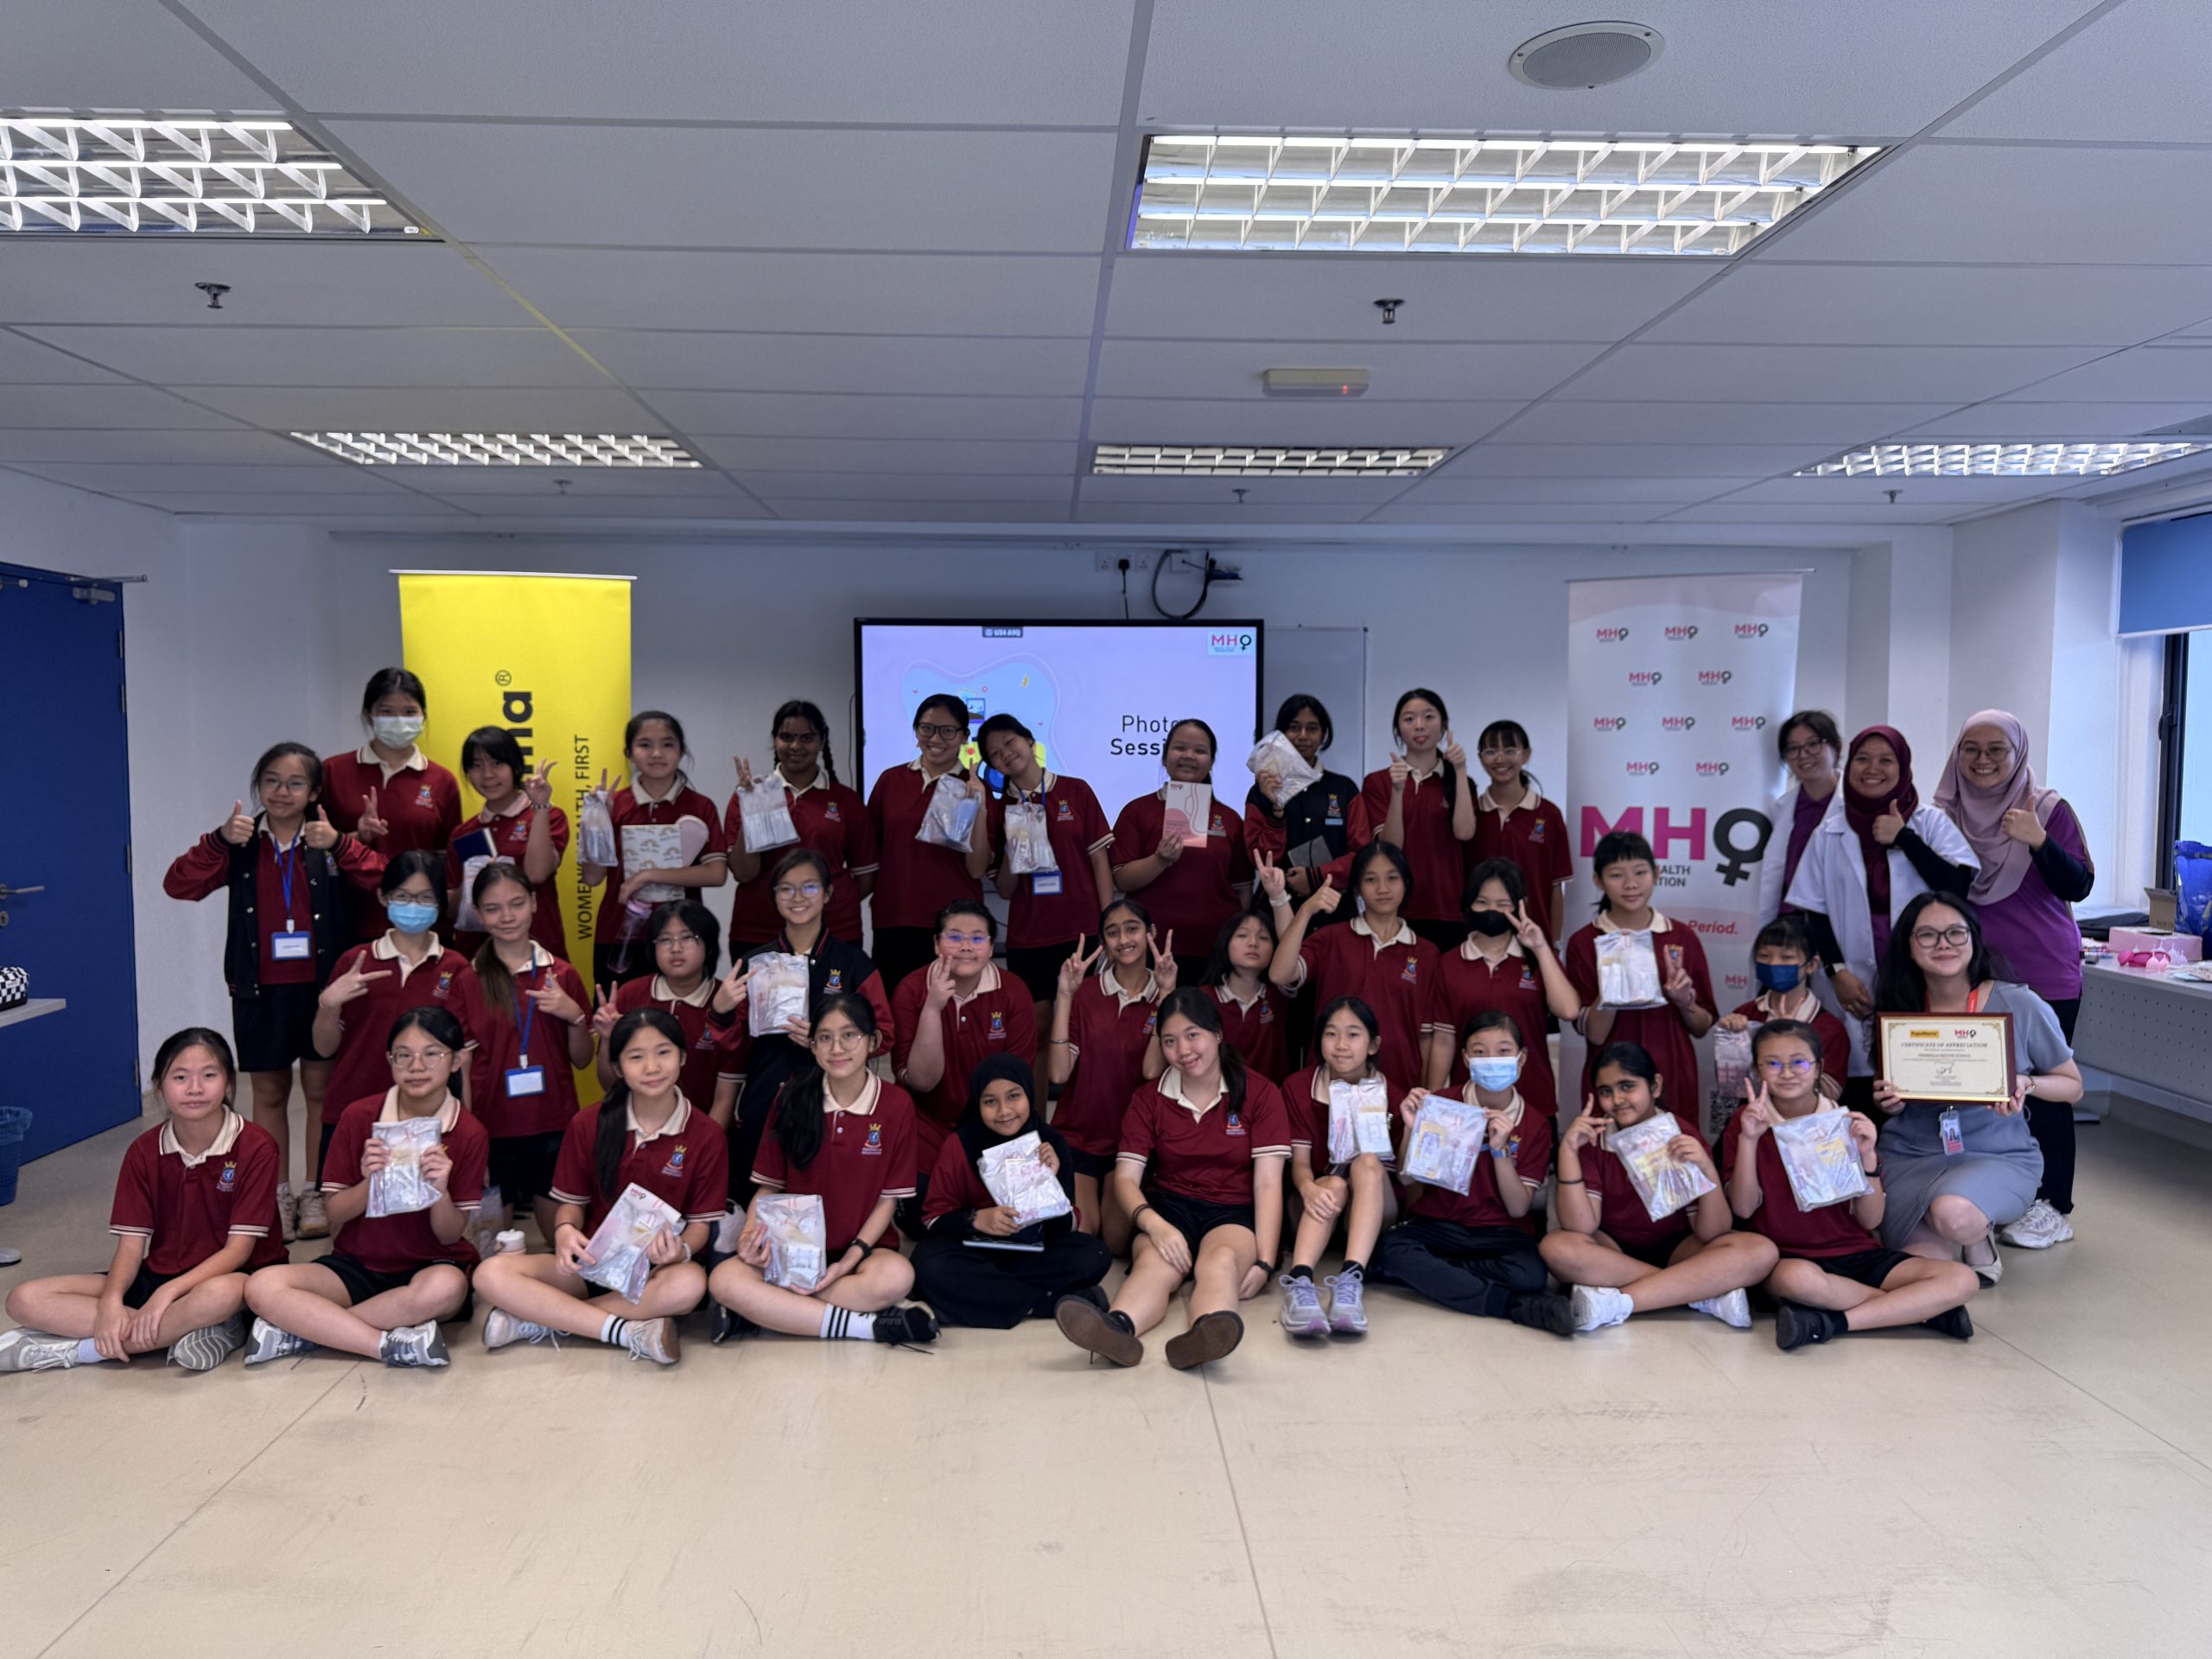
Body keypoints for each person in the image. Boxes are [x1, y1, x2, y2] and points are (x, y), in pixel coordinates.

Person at [164, 741, 386, 1244]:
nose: (282, 792)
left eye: (295, 783)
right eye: (271, 781)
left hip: (323, 990)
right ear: (258, 786)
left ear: (314, 791)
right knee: (268, 1094)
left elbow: (384, 881)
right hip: (258, 989)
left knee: (321, 1091)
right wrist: (218, 840)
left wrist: (342, 844)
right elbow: (179, 885)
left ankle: (317, 1192)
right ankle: (276, 1194)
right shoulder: (241, 843)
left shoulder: (327, 839)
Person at [0, 1029, 281, 1375]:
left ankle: (82, 1350)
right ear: (159, 1086)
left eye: (209, 1075)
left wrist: (165, 1296)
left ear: (229, 1084)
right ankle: (191, 1330)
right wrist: (111, 1303)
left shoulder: (256, 1146)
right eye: (180, 1077)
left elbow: (238, 1252)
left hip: (231, 1275)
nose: (195, 1088)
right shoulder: (144, 1150)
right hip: (159, 1274)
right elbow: (131, 1247)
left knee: (220, 1294)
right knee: (24, 1298)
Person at [1053, 989, 1289, 1370]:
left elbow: (1267, 1184)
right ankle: (1117, 1329)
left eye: (1193, 1035)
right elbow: (1126, 1180)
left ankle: (1205, 1335)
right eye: (1170, 1041)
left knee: (1221, 1263)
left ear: (1217, 1033)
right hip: (1169, 1206)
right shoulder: (1148, 1098)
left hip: (1232, 1211)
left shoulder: (1260, 1093)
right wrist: (1155, 1225)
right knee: (1153, 1263)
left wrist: (1264, 1262)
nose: (1183, 1050)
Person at [473, 1009, 725, 1365]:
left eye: (663, 1052)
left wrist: (680, 1251)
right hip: (591, 1264)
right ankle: (624, 1331)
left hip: (655, 1272)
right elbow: (572, 1204)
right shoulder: (588, 1123)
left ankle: (545, 1319)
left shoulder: (706, 1134)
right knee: (490, 1274)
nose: (652, 1067)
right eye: (636, 1057)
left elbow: (700, 1224)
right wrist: (564, 1230)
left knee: (690, 1284)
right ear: (618, 1067)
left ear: (683, 1056)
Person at [242, 1007, 486, 1370]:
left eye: (432, 1053)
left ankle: (311, 1331)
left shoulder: (468, 1131)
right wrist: (370, 1181)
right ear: (390, 1061)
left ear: (456, 1060)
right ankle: (383, 1344)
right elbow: (334, 1212)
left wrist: (440, 1190)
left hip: (430, 1265)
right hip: (357, 1264)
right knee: (261, 1286)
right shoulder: (359, 1117)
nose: (417, 1066)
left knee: (446, 1289)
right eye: (404, 1055)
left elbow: (449, 1235)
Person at [1933, 709, 2095, 1251]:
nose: (1982, 760)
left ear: (2018, 752)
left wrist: (2039, 841)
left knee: (2043, 1087)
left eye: (1996, 749)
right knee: (1979, 1087)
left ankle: (2054, 1205)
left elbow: (2079, 885)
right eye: (1971, 749)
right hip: (1968, 973)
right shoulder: (1944, 813)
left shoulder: (2046, 809)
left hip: (2044, 971)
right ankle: (1995, 1190)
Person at [1726, 1017, 1978, 1351]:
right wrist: (1748, 1140)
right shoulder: (1746, 1123)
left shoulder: (1847, 1122)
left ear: (1819, 1067)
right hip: (1789, 1260)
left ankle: (1833, 1323)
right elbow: (1743, 1208)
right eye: (1772, 1064)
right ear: (1757, 1070)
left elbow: (1870, 1220)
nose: (1786, 1073)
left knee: (1962, 1278)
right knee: (1796, 1280)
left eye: (1799, 1062)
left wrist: (1868, 1157)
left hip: (1856, 1253)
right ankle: (1921, 1312)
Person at [1868, 894, 2080, 1287]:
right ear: (1908, 946)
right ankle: (1950, 1232)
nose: (1943, 944)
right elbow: (1897, 1093)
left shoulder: (2019, 1003)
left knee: (1954, 1216)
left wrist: (2026, 1083)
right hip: (1910, 1153)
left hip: (1996, 1153)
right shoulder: (1901, 1006)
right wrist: (1889, 1101)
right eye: (1927, 935)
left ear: (1974, 939)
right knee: (1923, 1272)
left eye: (1955, 932)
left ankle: (1977, 1234)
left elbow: (2073, 1086)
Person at [705, 995, 939, 1347]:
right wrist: (747, 1238)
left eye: (850, 1035)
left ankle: (770, 1310)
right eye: (825, 1038)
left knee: (896, 1277)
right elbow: (769, 1188)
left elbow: (887, 1200)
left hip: (862, 1252)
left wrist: (848, 1261)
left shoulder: (896, 1104)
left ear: (873, 1041)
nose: (837, 1048)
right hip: (791, 1252)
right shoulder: (790, 1097)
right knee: (723, 1279)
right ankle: (865, 1326)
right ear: (812, 1046)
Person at [1784, 728, 1977, 1105]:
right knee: (1856, 1084)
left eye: (1886, 760)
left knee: (1917, 1079)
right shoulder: (1829, 831)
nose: (1873, 768)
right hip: (1852, 983)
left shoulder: (1930, 822)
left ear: (1903, 767)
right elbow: (1815, 912)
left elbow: (1957, 888)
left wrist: (1905, 838)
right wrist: (1837, 973)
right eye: (1863, 759)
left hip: (1922, 974)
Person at [1541, 1041, 1777, 1332]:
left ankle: (1619, 1301)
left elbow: (1712, 1231)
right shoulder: (1593, 1138)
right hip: (1612, 1251)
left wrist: (1706, 1169)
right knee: (1556, 1247)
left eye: (1627, 1086)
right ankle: (1699, 1293)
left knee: (1760, 1251)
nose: (1617, 1100)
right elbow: (1581, 1226)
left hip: (1680, 1249)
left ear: (1655, 1086)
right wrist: (1567, 1151)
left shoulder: (1680, 1134)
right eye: (1605, 1091)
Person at [310, 851, 479, 1238]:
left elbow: (464, 1060)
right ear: (383, 897)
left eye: (424, 897)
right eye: (402, 896)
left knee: (422, 1231)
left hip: (427, 1119)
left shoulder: (456, 968)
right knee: (348, 1230)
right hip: (353, 1110)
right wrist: (328, 1004)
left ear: (440, 903)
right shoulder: (356, 961)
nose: (413, 906)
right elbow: (323, 1048)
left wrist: (469, 1129)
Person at [1371, 1013, 1573, 1335]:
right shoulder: (1442, 1104)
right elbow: (1408, 1179)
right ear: (1465, 1058)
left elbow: (1518, 1208)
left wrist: (1500, 1151)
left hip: (1500, 1234)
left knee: (1530, 1275)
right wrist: (1412, 1128)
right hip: (1440, 1227)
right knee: (1391, 1247)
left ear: (1521, 1058)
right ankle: (1511, 1306)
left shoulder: (1535, 1124)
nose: (1491, 1060)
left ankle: (1437, 1276)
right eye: (1480, 1052)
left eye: (1503, 1051)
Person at [715, 848, 893, 1205]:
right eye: (786, 889)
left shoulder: (853, 962)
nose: (798, 897)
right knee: (761, 1201)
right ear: (774, 897)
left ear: (827, 894)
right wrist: (721, 1011)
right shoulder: (755, 964)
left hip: (834, 1101)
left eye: (810, 887)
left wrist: (827, 1039)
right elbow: (733, 1046)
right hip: (766, 1098)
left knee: (827, 1199)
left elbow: (884, 1035)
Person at [912, 1056, 1114, 1328]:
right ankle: (1045, 1302)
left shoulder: (1050, 1143)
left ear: (1029, 1094)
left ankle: (978, 1299)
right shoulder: (961, 1144)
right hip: (976, 1249)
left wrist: (1049, 1183)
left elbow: (1066, 1227)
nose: (1004, 1110)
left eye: (1014, 1096)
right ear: (977, 1104)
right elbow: (934, 1219)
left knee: (1094, 1255)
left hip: (1032, 1253)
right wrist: (976, 1219)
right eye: (990, 1101)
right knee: (928, 1263)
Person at [454, 864, 595, 1246]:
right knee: (492, 1248)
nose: (507, 916)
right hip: (492, 1128)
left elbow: (583, 1059)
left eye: (516, 904)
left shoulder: (561, 974)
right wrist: (468, 1139)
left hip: (553, 1124)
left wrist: (574, 1015)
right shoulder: (468, 979)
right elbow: (461, 1069)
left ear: (534, 903)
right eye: (493, 908)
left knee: (565, 1244)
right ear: (478, 913)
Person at [1261, 841, 1440, 1104]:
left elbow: (1426, 1037)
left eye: (1392, 878)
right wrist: (1306, 910)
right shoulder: (1332, 938)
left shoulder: (1427, 953)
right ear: (1356, 887)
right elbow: (1280, 975)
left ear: (1406, 883)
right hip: (1330, 1086)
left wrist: (1429, 1096)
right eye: (1371, 879)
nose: (1382, 888)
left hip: (1398, 1087)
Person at [891, 899, 1039, 1191]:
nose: (966, 947)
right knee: (924, 1204)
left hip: (995, 1122)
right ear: (937, 943)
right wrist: (932, 1008)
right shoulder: (910, 990)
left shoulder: (1014, 991)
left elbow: (1016, 1082)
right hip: (926, 1123)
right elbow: (922, 1082)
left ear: (991, 946)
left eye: (978, 938)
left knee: (1012, 1207)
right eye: (955, 937)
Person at [978, 711, 1116, 1024]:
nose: (1005, 754)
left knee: (1081, 1024)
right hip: (1030, 936)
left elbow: (1099, 861)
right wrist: (1014, 846)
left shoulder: (1076, 790)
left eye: (1009, 742)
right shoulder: (999, 810)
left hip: (1082, 931)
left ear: (1029, 740)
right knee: (1037, 1029)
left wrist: (1109, 923)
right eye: (995, 754)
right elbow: (1005, 890)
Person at [1043, 901, 1165, 1248]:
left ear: (1151, 933)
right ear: (1104, 942)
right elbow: (1058, 1073)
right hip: (1078, 1135)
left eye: (1132, 928)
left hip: (1132, 1142)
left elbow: (1152, 1070)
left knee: (1116, 1241)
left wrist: (1167, 996)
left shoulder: (1167, 994)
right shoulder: (1084, 993)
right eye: (1113, 933)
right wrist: (1065, 994)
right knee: (1082, 1232)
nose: (1123, 939)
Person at [1561, 830, 1717, 1100]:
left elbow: (1702, 1027)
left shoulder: (1681, 937)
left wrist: (1684, 1002)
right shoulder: (1585, 942)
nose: (1631, 884)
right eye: (1616, 875)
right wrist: (1613, 982)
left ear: (1657, 873)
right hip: (1611, 1081)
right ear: (1598, 880)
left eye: (1640, 872)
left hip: (1671, 1072)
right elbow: (1595, 1035)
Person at [580, 711, 728, 990]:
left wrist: (648, 876)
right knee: (617, 1012)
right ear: (629, 753)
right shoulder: (615, 805)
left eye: (667, 744)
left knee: (682, 1013)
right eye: (645, 745)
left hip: (682, 938)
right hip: (619, 935)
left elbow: (716, 873)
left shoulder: (701, 806)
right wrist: (597, 822)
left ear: (681, 750)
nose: (657, 753)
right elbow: (592, 877)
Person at [1278, 997, 1398, 1339]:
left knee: (1368, 1162)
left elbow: (1405, 1177)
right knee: (1333, 1184)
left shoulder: (1390, 1092)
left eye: (1353, 1034)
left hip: (1372, 1211)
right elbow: (1300, 1164)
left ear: (1373, 1044)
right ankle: (1300, 1282)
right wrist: (1309, 1188)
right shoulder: (1298, 1087)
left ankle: (1350, 1281)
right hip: (1317, 1205)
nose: (1341, 1044)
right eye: (1331, 1034)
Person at [1426, 858, 1581, 1119]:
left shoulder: (1538, 957)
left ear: (1520, 906)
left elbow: (1568, 1010)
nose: (1492, 911)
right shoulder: (1449, 963)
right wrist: (1434, 1101)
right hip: (1468, 1106)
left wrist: (1541, 947)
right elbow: (1443, 1040)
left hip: (1533, 1100)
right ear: (1468, 903)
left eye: (1503, 904)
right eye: (1482, 902)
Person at [321, 667, 463, 943]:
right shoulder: (333, 772)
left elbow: (449, 862)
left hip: (422, 928)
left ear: (423, 715)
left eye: (409, 712)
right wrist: (357, 836)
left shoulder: (442, 780)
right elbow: (314, 850)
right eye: (387, 712)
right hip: (349, 924)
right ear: (368, 715)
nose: (399, 720)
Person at [1112, 717, 1255, 986]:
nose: (1189, 756)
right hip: (1151, 947)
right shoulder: (1137, 811)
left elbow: (1243, 889)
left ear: (1211, 762)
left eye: (1200, 751)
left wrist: (1237, 940)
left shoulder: (1229, 818)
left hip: (1214, 949)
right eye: (1180, 748)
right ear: (1165, 756)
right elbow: (1121, 879)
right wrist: (1159, 860)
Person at [724, 699, 876, 952]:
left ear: (822, 741)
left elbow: (865, 877)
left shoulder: (845, 800)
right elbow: (743, 873)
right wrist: (753, 807)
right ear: (775, 740)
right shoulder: (751, 795)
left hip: (834, 930)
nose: (795, 746)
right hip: (760, 930)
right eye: (786, 737)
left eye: (807, 738)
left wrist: (816, 903)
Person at [866, 693, 994, 991]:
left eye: (948, 731)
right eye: (927, 728)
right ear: (916, 730)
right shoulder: (890, 781)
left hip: (957, 927)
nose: (936, 739)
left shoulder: (975, 787)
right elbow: (872, 850)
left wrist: (980, 807)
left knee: (954, 1010)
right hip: (896, 916)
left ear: (964, 736)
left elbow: (977, 869)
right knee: (897, 1008)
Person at [589, 901, 741, 1134]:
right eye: (665, 940)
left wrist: (704, 1146)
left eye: (688, 938)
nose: (676, 948)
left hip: (703, 1133)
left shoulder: (727, 1001)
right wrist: (608, 1039)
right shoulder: (631, 994)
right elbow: (610, 1084)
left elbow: (725, 1099)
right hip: (636, 1131)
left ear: (709, 945)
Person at [1356, 689, 1477, 950]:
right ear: (1398, 729)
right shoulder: (1378, 782)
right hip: (1395, 908)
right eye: (1409, 719)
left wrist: (1460, 770)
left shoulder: (1461, 781)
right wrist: (1398, 791)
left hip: (1449, 907)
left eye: (1429, 717)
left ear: (1443, 725)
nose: (1419, 725)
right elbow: (1389, 847)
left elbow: (1465, 832)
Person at [447, 727, 569, 963]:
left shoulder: (548, 816)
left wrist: (540, 807)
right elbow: (452, 912)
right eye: (476, 765)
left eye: (497, 763)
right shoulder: (463, 833)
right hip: (476, 956)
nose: (488, 775)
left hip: (537, 949)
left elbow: (537, 873)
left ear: (515, 766)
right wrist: (472, 879)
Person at [1243, 694, 1363, 909]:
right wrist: (1277, 811)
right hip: (1276, 908)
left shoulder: (1344, 789)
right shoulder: (1261, 791)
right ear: (1281, 734)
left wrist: (1316, 876)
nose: (1303, 736)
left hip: (1334, 907)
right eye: (1294, 728)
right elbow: (1258, 859)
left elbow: (1362, 854)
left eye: (1312, 728)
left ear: (1323, 735)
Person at [1715, 917, 1850, 1096]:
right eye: (1764, 956)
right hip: (1751, 1111)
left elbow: (1829, 1096)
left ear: (1811, 965)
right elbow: (1731, 1091)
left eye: (1786, 957)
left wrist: (1789, 1038)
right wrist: (1728, 1041)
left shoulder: (1829, 1028)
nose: (1773, 964)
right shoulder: (1745, 1015)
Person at [1470, 720, 1573, 943]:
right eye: (1491, 752)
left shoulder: (1549, 814)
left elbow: (1556, 886)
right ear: (1480, 758)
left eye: (1509, 750)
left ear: (1526, 755)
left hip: (1535, 939)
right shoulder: (1470, 814)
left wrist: (1553, 944)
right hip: (1481, 939)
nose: (1500, 759)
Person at [1756, 710, 1844, 926]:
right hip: (1788, 921)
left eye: (1813, 744)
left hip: (1834, 920)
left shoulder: (1854, 807)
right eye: (1793, 749)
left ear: (1837, 746)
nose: (1803, 755)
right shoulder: (1781, 809)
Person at [1193, 907, 1292, 1084]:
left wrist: (1278, 897)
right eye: (1242, 935)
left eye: (1263, 938)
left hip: (1270, 1096)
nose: (1253, 943)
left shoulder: (1279, 995)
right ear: (1226, 943)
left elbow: (1292, 944)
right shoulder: (1203, 998)